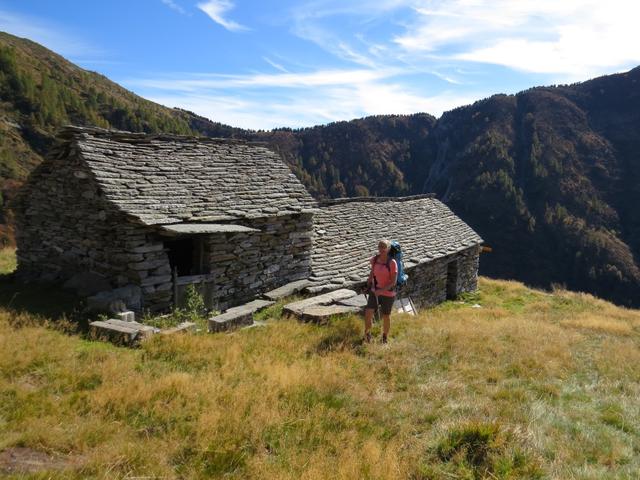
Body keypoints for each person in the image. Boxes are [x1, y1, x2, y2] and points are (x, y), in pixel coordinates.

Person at [364, 239, 397, 344]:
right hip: (375, 291)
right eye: (380, 247)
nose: (381, 249)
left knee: (386, 316)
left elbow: (393, 282)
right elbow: (372, 272)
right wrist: (368, 282)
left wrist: (382, 290)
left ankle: (384, 337)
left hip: (388, 294)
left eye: (384, 247)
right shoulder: (375, 259)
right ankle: (367, 335)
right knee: (368, 312)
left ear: (388, 249)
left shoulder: (392, 262)